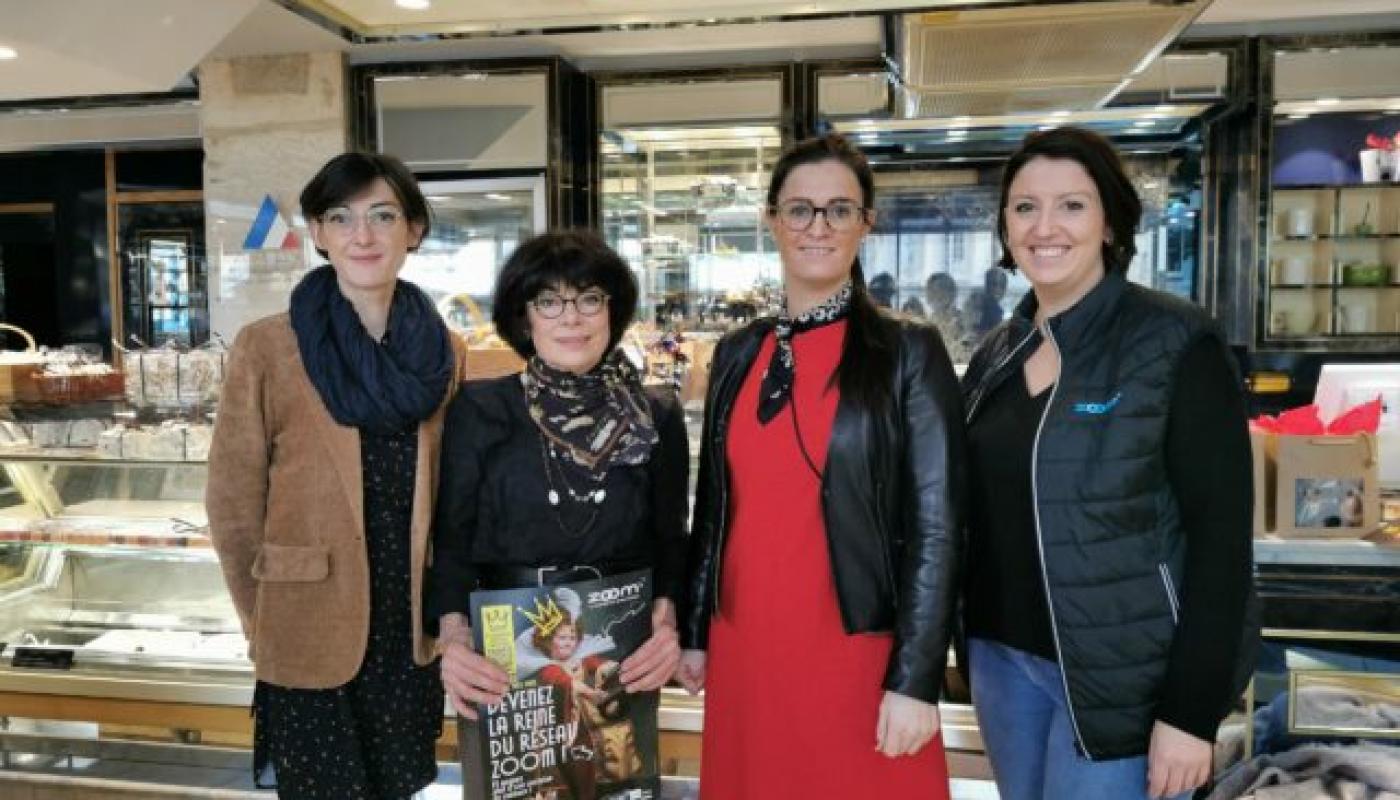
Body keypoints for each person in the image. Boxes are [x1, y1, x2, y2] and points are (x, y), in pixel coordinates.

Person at [959, 126, 1257, 800]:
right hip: (1003, 664)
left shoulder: (1174, 343)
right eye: (1025, 207)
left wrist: (1190, 711)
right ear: (1006, 226)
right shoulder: (995, 356)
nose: (1045, 227)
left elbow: (1222, 544)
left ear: (1110, 220)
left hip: (1124, 684)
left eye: (1072, 204)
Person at [679, 133, 966, 799]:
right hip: (745, 645)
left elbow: (940, 527)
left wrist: (917, 678)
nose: (818, 226)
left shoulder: (908, 352)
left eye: (839, 209)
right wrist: (695, 632)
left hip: (856, 653)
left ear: (866, 224)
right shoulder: (736, 354)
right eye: (800, 209)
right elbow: (714, 507)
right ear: (772, 219)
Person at [206, 151, 466, 798]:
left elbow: (458, 493)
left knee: (397, 786)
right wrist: (258, 623)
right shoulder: (268, 346)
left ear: (414, 229)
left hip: (408, 631)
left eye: (383, 215)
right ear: (318, 234)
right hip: (306, 623)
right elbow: (233, 503)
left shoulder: (444, 351)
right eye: (341, 217)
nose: (363, 234)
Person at [430, 230, 688, 795]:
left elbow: (673, 539)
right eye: (549, 300)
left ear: (612, 310)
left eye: (589, 297)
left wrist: (668, 626)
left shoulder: (654, 415)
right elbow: (450, 541)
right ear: (525, 319)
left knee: (613, 783)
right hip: (506, 663)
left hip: (617, 660)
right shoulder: (482, 406)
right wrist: (451, 643)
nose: (571, 317)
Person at [966, 266, 1009, 340]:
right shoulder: (977, 304)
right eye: (993, 284)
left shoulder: (998, 310)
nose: (997, 289)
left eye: (1002, 286)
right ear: (986, 285)